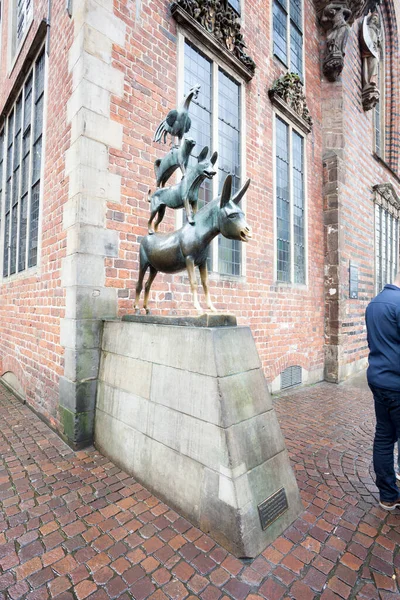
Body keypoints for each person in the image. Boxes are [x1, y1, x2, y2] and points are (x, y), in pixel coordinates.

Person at [365, 274, 400, 510]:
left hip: (378, 380)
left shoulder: (374, 303)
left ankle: (387, 495)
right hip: (397, 384)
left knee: (384, 436)